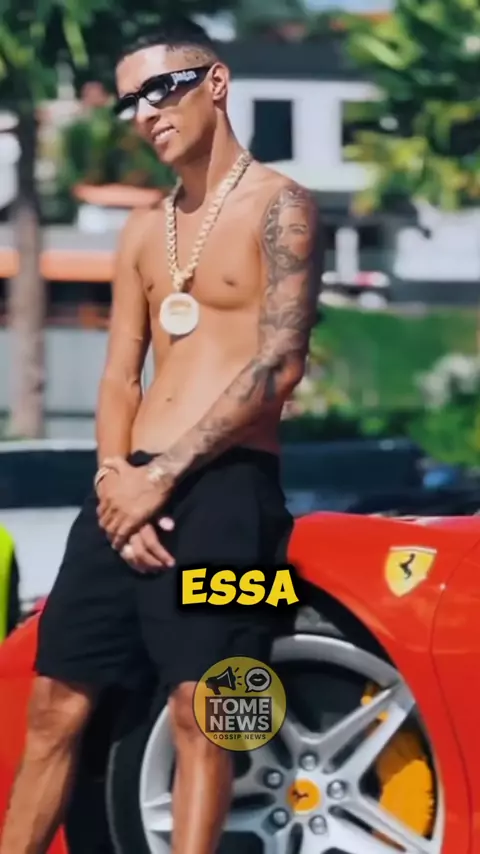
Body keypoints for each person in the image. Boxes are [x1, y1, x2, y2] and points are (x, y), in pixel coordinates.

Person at [0, 20, 324, 854]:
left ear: (215, 82)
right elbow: (119, 375)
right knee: (54, 705)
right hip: (124, 491)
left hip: (231, 493)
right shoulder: (144, 229)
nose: (145, 113)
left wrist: (163, 477)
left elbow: (279, 367)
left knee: (208, 708)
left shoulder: (282, 205)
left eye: (159, 90)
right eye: (131, 102)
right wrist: (117, 480)